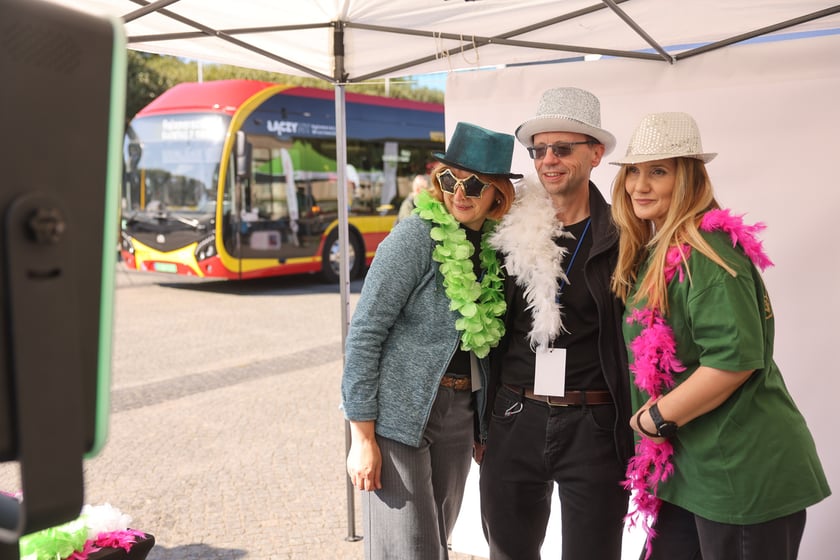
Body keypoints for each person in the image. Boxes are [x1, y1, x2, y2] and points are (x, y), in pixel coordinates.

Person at [609, 111, 831, 560]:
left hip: (741, 474)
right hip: (693, 471)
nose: (639, 185)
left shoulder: (705, 253)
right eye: (634, 171)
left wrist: (654, 419)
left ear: (688, 178)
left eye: (658, 171)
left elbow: (733, 359)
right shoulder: (662, 250)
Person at [341, 121, 521, 559]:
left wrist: (480, 423)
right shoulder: (415, 237)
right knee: (411, 550)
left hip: (459, 415)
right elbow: (365, 332)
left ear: (498, 192)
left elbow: (484, 348)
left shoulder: (497, 249)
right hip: (399, 417)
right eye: (449, 179)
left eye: (474, 184)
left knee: (439, 538)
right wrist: (361, 438)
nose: (460, 192)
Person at [479, 87, 633, 559]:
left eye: (562, 148)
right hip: (514, 415)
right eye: (539, 149)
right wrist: (481, 423)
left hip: (594, 422)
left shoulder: (625, 236)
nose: (548, 159)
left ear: (595, 154)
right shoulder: (507, 231)